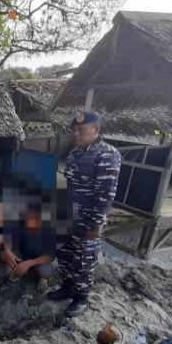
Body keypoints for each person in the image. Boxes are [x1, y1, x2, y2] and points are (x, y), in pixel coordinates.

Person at [48, 111, 122, 318]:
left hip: (88, 219)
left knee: (83, 258)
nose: (76, 134)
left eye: (82, 130)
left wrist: (95, 225)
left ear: (96, 130)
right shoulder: (74, 155)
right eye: (74, 130)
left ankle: (82, 297)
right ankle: (68, 287)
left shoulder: (107, 154)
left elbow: (106, 194)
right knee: (64, 253)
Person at [0, 202, 57, 291]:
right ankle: (5, 265)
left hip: (40, 258)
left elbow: (51, 256)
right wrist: (8, 251)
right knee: (3, 252)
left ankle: (41, 277)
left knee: (45, 272)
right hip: (22, 253)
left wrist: (28, 264)